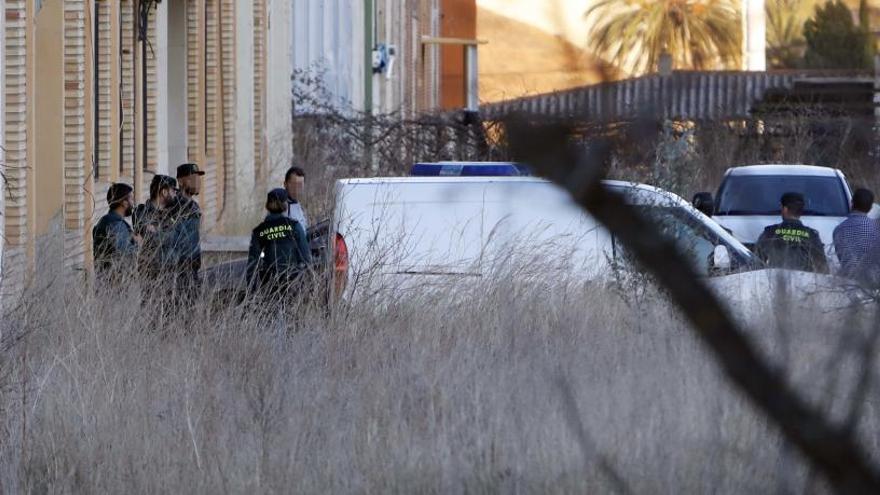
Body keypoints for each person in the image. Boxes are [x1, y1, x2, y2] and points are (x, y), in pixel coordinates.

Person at [246, 188, 312, 297]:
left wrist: (251, 290)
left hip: (268, 284)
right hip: (292, 283)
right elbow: (306, 256)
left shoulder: (259, 231)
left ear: (267, 205)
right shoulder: (294, 226)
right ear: (285, 204)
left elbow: (252, 263)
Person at [755, 192, 828, 273]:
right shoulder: (812, 235)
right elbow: (822, 267)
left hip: (777, 282)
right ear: (800, 211)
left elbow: (757, 262)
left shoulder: (770, 232)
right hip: (804, 282)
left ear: (785, 209)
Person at [133, 175, 180, 282]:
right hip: (150, 273)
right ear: (164, 192)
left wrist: (157, 231)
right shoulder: (141, 212)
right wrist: (165, 233)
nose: (175, 195)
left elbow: (176, 237)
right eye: (173, 191)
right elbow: (149, 238)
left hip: (170, 272)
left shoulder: (172, 214)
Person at [92, 183, 139, 283]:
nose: (133, 202)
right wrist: (138, 243)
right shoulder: (115, 224)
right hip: (113, 286)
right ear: (124, 203)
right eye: (131, 199)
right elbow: (124, 254)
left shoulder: (108, 221)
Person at [833, 188, 880, 285]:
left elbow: (842, 257)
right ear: (871, 208)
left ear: (852, 203)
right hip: (874, 283)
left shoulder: (839, 230)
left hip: (848, 283)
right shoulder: (876, 228)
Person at [174, 163, 205, 287]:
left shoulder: (193, 206)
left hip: (193, 266)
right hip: (180, 268)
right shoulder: (176, 206)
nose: (197, 182)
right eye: (192, 178)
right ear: (180, 182)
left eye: (198, 178)